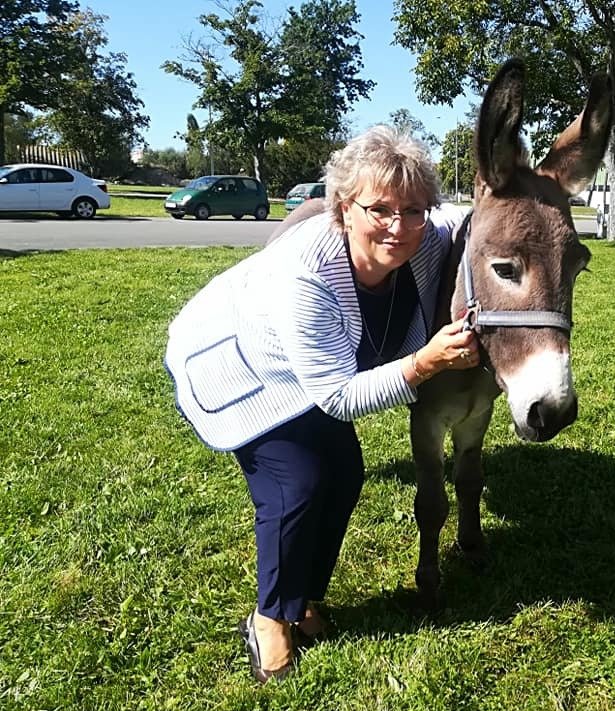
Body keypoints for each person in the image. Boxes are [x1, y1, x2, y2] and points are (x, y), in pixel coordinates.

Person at [164, 125, 478, 683]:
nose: (399, 226)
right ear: (343, 207)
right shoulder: (308, 272)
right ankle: (269, 617)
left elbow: (473, 219)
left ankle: (304, 598)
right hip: (244, 370)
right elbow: (336, 397)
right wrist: (425, 363)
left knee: (347, 471)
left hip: (316, 372)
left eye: (413, 210)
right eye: (379, 208)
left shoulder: (425, 239)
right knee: (298, 482)